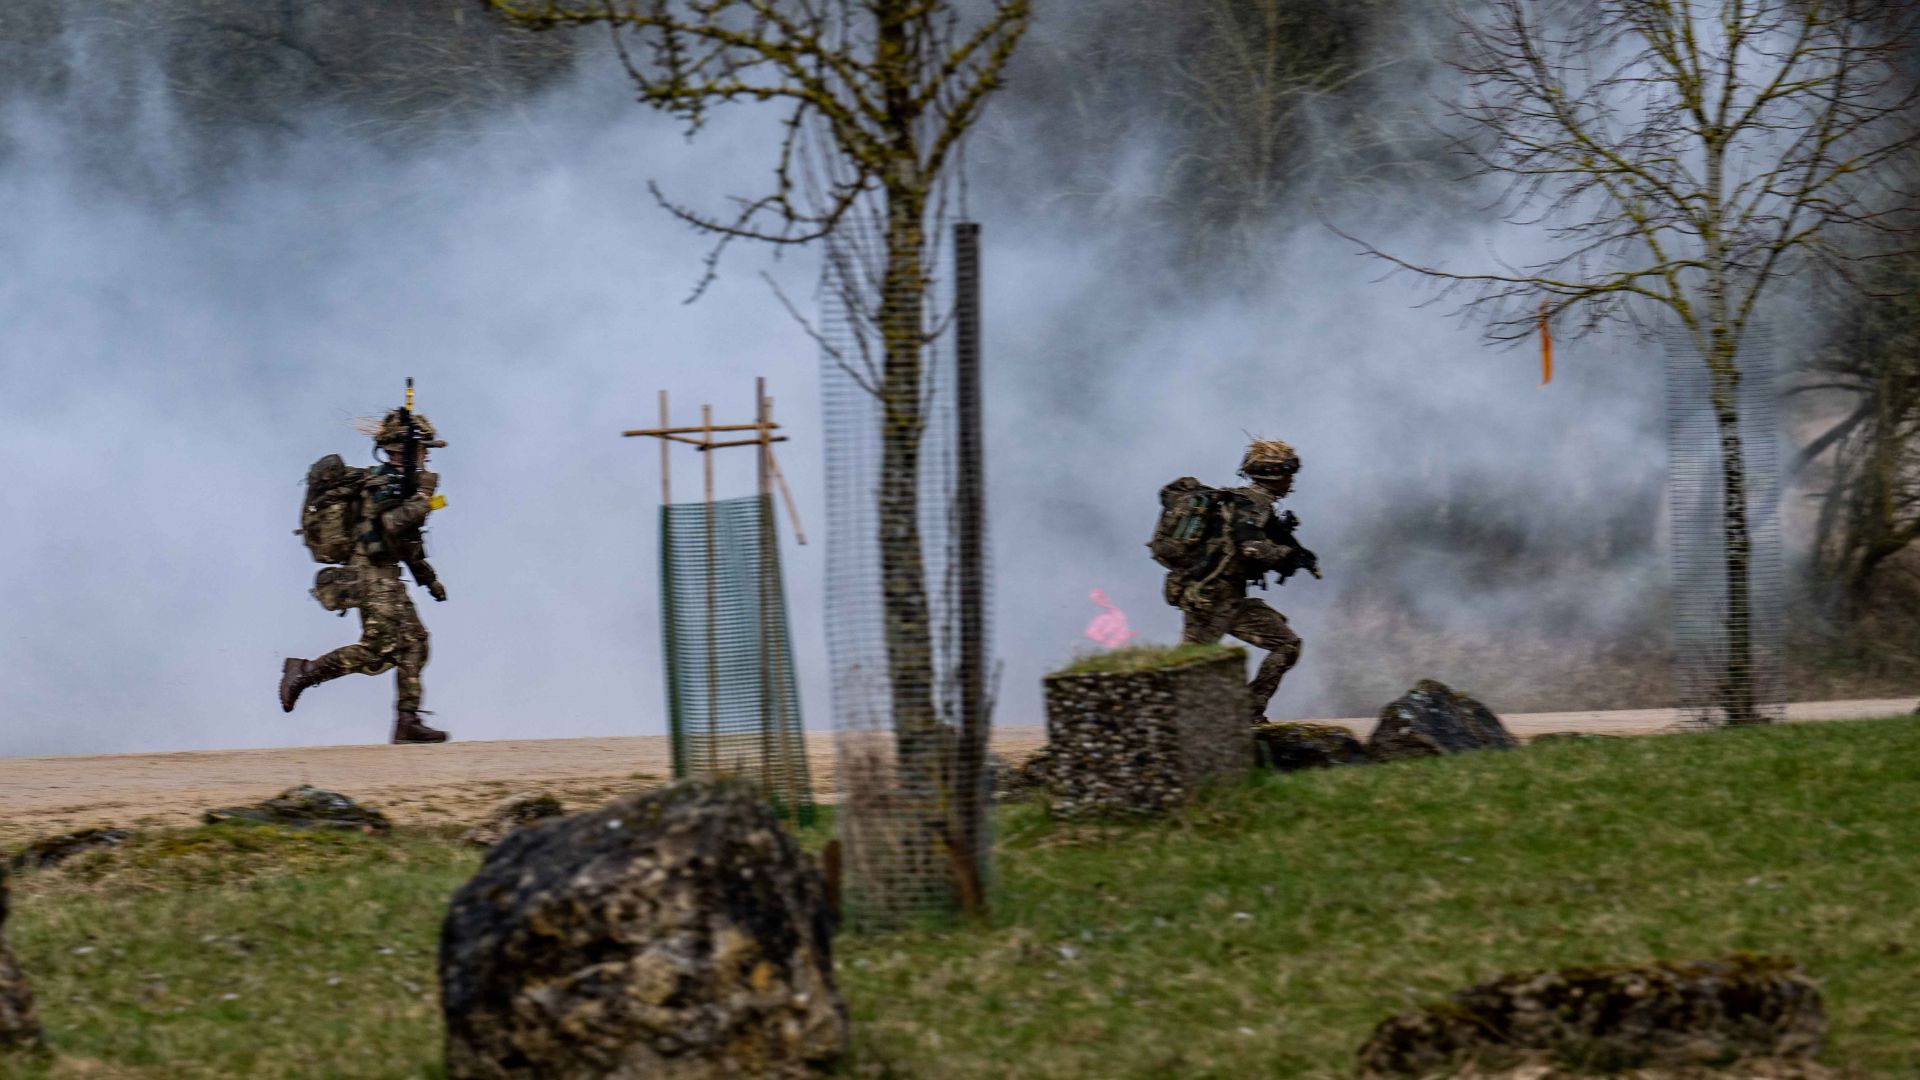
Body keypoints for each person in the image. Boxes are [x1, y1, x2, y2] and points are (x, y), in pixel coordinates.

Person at [279, 406, 450, 744]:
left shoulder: (401, 485)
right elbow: (389, 525)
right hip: (370, 576)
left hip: (387, 574)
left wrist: (428, 579)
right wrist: (425, 499)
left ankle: (407, 720)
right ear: (403, 451)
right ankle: (304, 672)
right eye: (422, 448)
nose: (427, 455)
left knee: (415, 642)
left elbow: (407, 542)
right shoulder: (380, 484)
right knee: (379, 647)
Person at [1149, 438, 1317, 723]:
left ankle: (1249, 710)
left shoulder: (1243, 502)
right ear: (1273, 474)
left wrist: (1295, 552)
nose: (1291, 481)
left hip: (1228, 599)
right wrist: (1287, 556)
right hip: (1211, 600)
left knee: (1286, 644)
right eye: (1288, 474)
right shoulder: (1251, 505)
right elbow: (1251, 548)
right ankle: (1144, 716)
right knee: (1186, 666)